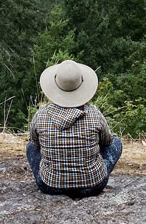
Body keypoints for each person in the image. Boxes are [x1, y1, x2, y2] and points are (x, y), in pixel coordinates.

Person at [26, 59, 123, 198]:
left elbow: (35, 144)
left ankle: (56, 174)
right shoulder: (94, 113)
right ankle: (89, 171)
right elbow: (107, 142)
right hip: (92, 186)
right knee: (117, 143)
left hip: (50, 186)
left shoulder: (40, 115)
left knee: (30, 147)